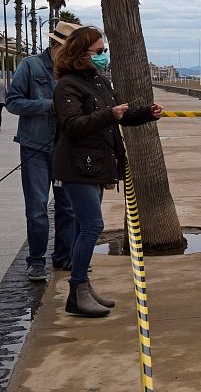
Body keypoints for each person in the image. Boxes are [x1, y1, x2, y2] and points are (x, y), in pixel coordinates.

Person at [52, 26, 163, 317]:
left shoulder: (99, 82)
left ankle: (83, 289)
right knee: (92, 226)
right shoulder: (68, 86)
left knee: (82, 228)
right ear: (81, 54)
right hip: (77, 168)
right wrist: (108, 115)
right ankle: (77, 289)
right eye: (99, 52)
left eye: (105, 51)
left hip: (97, 166)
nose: (104, 56)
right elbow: (72, 125)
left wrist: (144, 113)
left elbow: (117, 117)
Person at [5, 22, 79, 281]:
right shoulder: (30, 66)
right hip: (35, 147)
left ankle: (64, 257)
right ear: (55, 44)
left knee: (67, 207)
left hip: (66, 149)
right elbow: (12, 102)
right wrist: (50, 105)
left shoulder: (74, 70)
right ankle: (35, 261)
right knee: (36, 207)